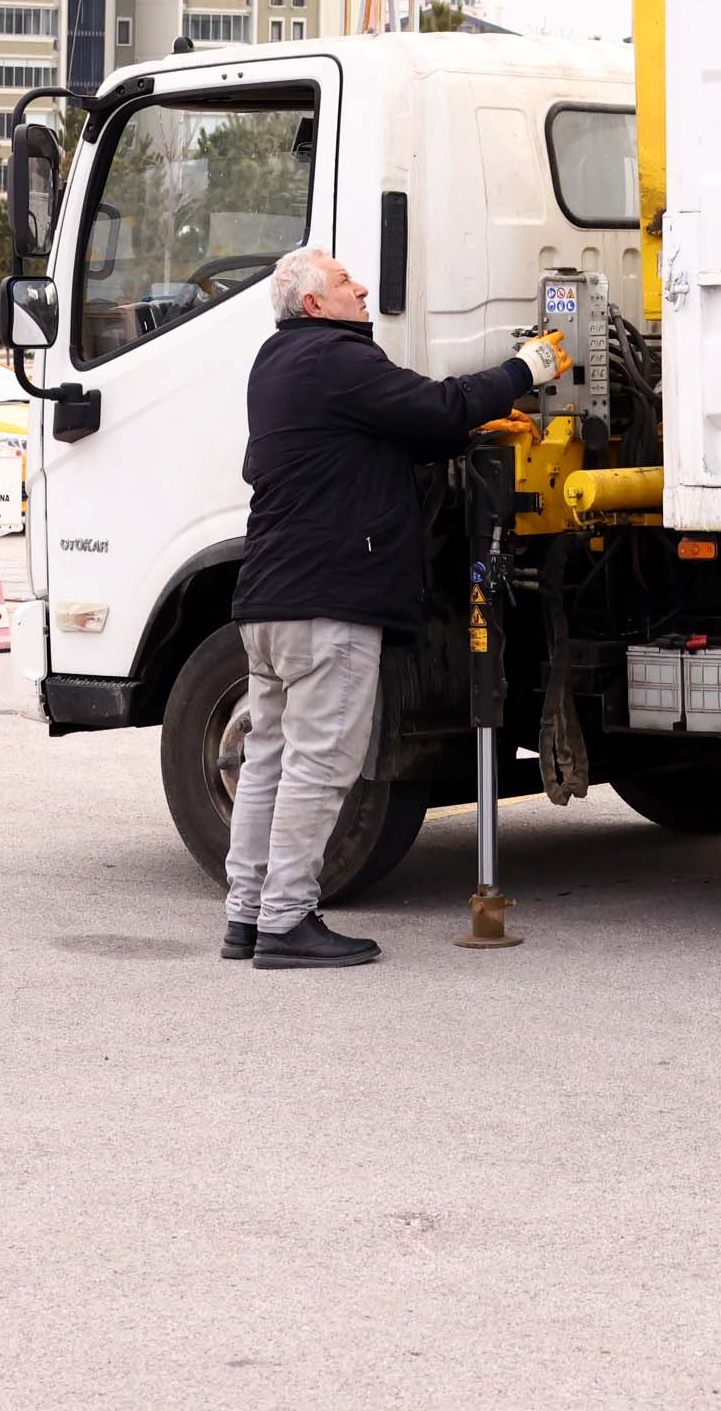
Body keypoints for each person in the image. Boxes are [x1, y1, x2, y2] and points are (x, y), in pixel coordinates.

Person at [219, 246, 567, 970]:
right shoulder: (337, 360)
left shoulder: (276, 363)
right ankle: (287, 922)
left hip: (269, 600)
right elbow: (434, 407)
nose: (363, 288)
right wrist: (523, 373)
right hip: (329, 603)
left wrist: (458, 431)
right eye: (347, 283)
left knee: (268, 757)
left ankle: (247, 916)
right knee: (319, 763)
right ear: (314, 303)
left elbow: (374, 440)